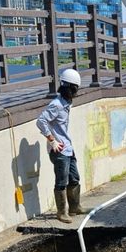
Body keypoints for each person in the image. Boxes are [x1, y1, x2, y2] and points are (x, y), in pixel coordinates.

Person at [36, 68, 88, 223]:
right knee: (61, 181)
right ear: (68, 87)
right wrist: (52, 140)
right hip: (59, 150)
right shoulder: (57, 104)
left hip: (67, 147)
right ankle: (61, 212)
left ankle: (75, 206)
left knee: (74, 177)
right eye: (74, 89)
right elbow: (41, 121)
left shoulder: (66, 102)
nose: (76, 92)